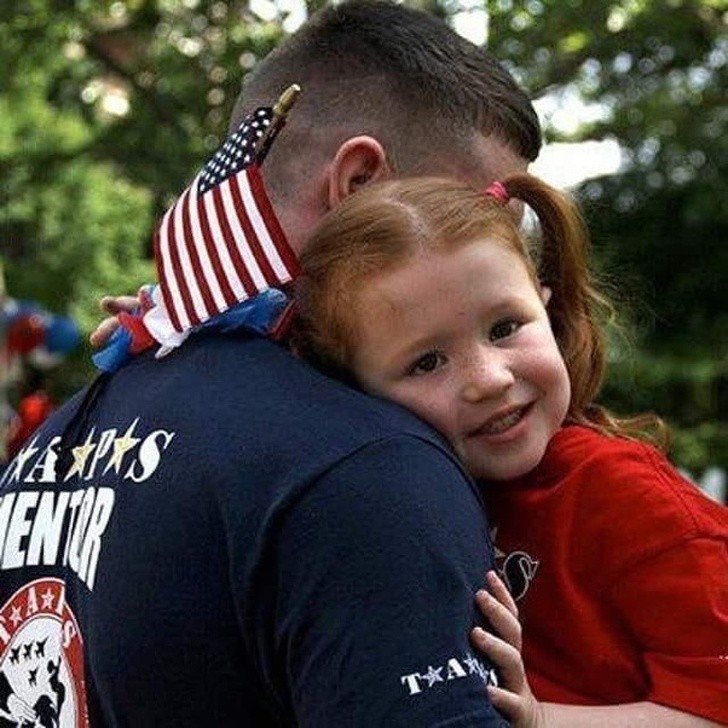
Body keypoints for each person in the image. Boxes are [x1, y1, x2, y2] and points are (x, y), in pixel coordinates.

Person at [0, 1, 543, 725]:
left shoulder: (48, 447)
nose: (502, 252)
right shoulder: (365, 465)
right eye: (476, 211)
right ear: (359, 184)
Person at [289, 173, 728, 726]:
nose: (488, 379)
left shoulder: (630, 500)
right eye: (427, 362)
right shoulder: (409, 502)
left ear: (547, 306)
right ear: (353, 392)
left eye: (505, 327)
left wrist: (542, 720)